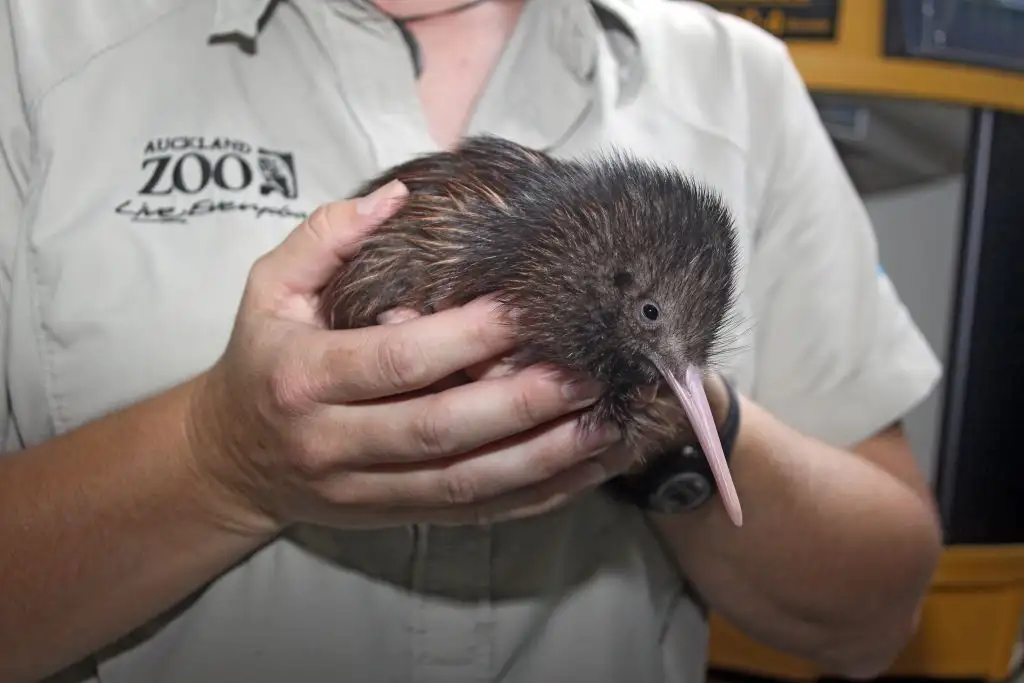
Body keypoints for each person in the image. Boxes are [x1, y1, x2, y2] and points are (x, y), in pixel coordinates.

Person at [0, 0, 945, 681]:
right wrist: (224, 461)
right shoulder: (41, 42)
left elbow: (879, 615)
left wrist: (684, 441)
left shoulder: (737, 80)